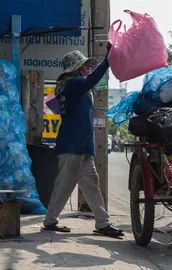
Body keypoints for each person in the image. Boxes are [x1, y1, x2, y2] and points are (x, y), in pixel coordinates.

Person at [43, 43, 124, 237]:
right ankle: (51, 220)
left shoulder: (74, 85)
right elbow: (94, 78)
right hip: (73, 145)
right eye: (86, 66)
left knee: (91, 184)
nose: (88, 69)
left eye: (88, 66)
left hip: (80, 146)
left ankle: (102, 223)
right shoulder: (73, 84)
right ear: (76, 68)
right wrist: (108, 59)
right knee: (64, 186)